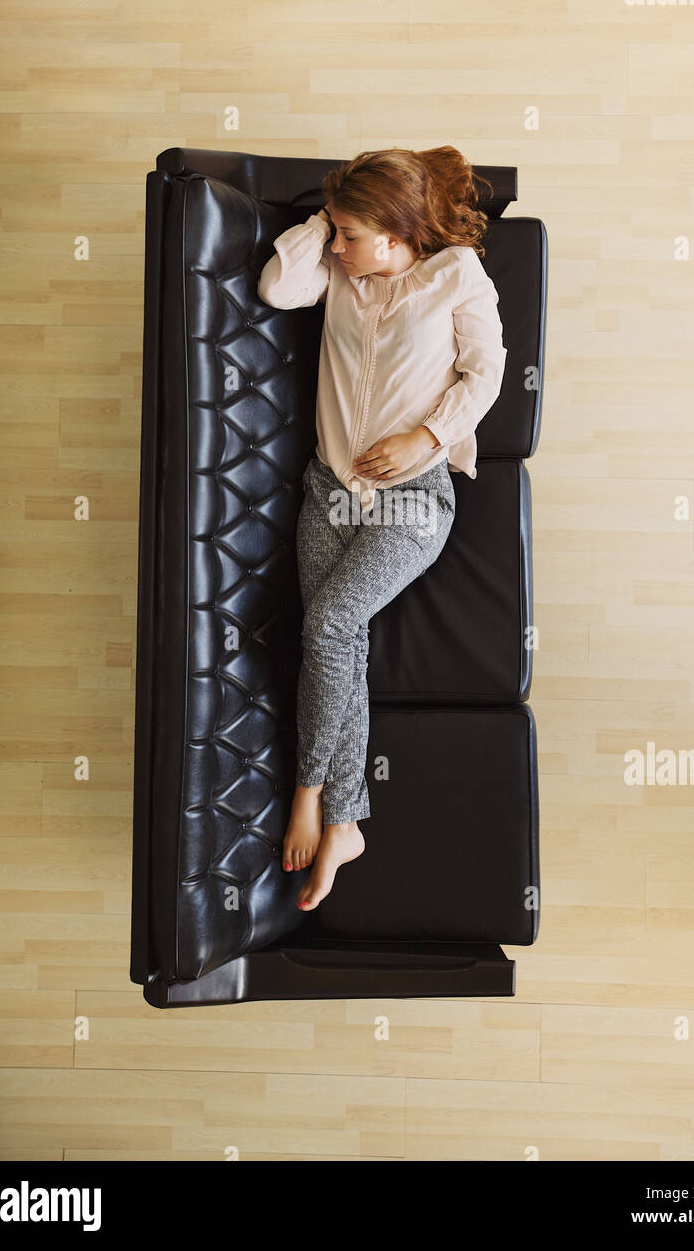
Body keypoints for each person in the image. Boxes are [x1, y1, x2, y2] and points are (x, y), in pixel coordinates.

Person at [256, 145, 507, 911]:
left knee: (329, 623)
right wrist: (325, 216)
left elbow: (485, 372)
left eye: (351, 234)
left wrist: (426, 438)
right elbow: (276, 287)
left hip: (415, 496)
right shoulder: (339, 269)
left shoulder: (456, 275)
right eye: (336, 234)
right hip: (330, 488)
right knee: (341, 640)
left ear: (398, 236)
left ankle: (310, 795)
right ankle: (348, 823)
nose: (337, 247)